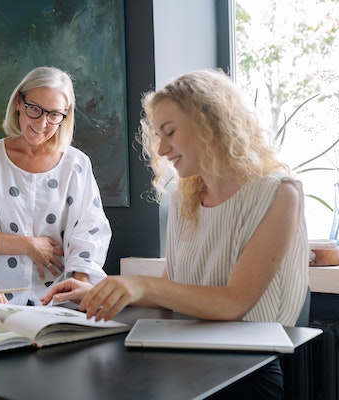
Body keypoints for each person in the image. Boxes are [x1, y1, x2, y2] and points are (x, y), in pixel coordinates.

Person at [41, 69, 310, 399]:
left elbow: (234, 304)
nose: (162, 149)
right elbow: (172, 290)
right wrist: (100, 290)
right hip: (184, 361)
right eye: (157, 135)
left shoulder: (280, 194)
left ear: (211, 123)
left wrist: (141, 283)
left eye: (169, 132)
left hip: (246, 372)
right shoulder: (186, 196)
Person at [0, 66, 112, 305]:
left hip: (58, 299)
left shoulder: (76, 164)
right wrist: (28, 245)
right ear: (19, 103)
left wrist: (80, 286)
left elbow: (89, 231)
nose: (43, 123)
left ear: (65, 116)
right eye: (35, 109)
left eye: (54, 114)